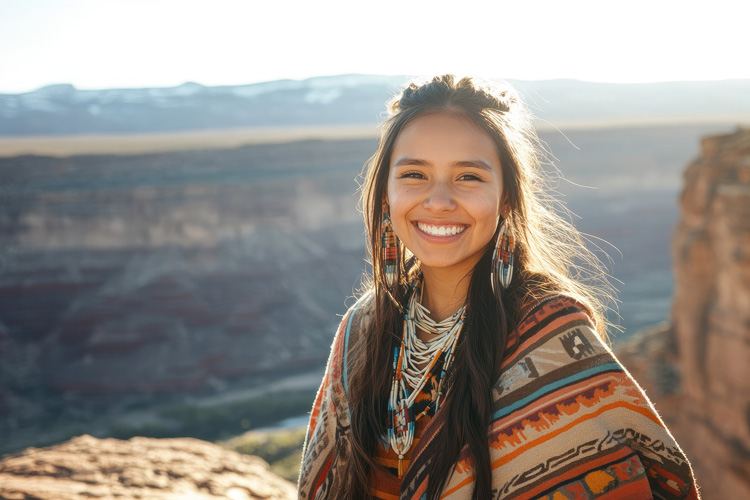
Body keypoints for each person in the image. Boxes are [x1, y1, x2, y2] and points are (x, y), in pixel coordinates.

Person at [297, 75, 700, 500]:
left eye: (468, 177)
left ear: (506, 196)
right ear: (385, 193)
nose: (438, 201)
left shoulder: (549, 340)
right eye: (414, 173)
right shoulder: (363, 327)